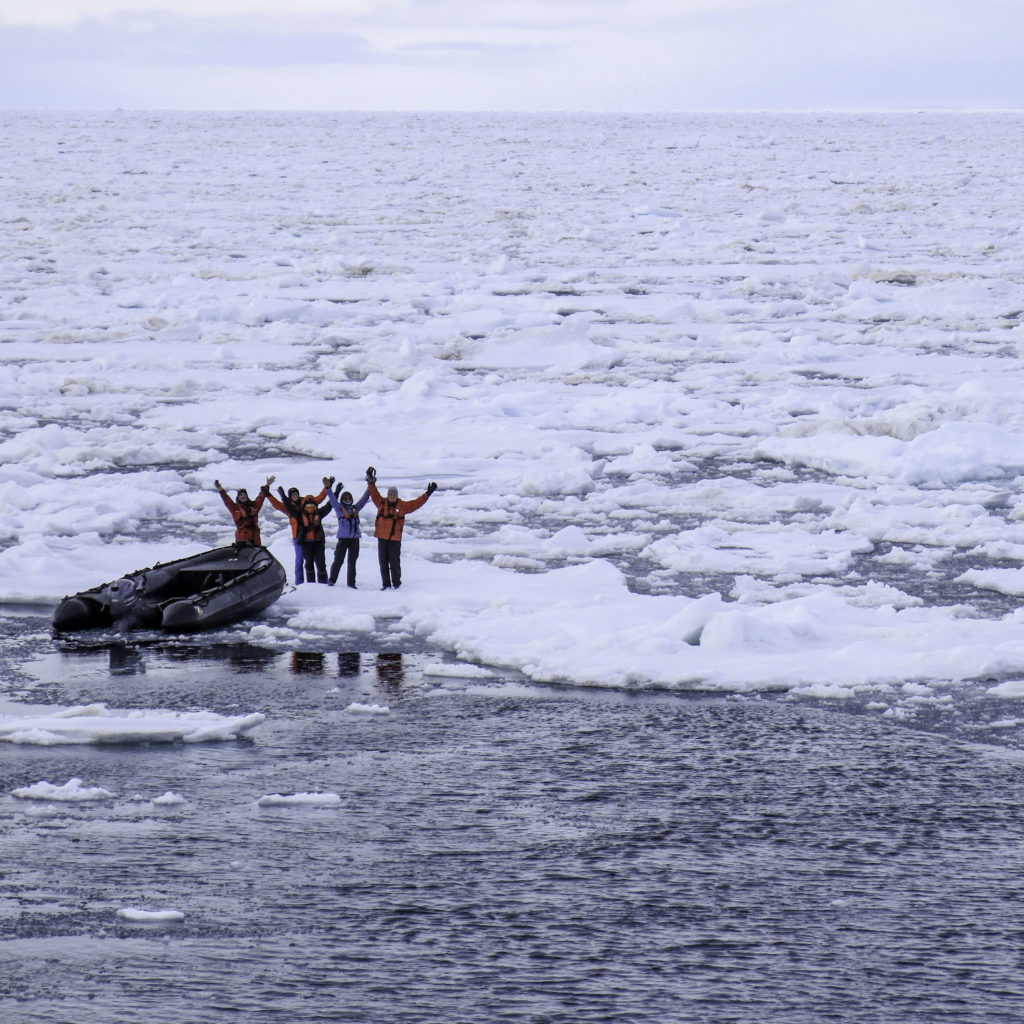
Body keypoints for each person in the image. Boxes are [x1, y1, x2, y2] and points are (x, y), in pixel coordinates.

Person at [365, 466, 437, 590]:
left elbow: (416, 503)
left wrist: (428, 494)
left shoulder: (402, 506)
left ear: (396, 496)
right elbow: (374, 493)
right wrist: (370, 481)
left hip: (394, 539)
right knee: (383, 563)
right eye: (390, 494)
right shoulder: (381, 503)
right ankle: (386, 585)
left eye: (394, 494)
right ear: (388, 496)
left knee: (394, 563)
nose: (392, 496)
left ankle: (397, 584)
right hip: (382, 538)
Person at [264, 480, 328, 585]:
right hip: (298, 537)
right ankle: (299, 583)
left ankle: (321, 582)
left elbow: (319, 499)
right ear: (289, 497)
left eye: (296, 494)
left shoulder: (306, 502)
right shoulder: (287, 507)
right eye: (292, 495)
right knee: (299, 561)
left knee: (316, 560)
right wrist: (268, 494)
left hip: (310, 537)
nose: (295, 496)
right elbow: (276, 504)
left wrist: (326, 488)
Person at [323, 477, 371, 588]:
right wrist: (327, 488)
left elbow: (364, 499)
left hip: (355, 539)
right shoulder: (339, 509)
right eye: (345, 498)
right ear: (342, 499)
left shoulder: (356, 508)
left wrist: (370, 485)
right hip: (343, 539)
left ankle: (351, 583)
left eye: (349, 498)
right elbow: (332, 498)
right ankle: (332, 580)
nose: (348, 499)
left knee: (352, 562)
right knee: (338, 560)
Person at [215, 476, 274, 546]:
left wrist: (267, 485)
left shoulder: (254, 506)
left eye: (245, 494)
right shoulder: (235, 508)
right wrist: (220, 489)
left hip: (254, 538)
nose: (243, 496)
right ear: (238, 497)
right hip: (242, 538)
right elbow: (227, 500)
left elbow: (261, 498)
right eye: (241, 495)